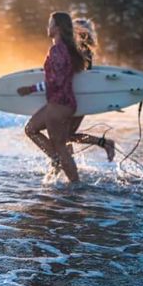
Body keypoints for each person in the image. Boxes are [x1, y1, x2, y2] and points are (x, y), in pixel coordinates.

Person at [17, 12, 85, 183]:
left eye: (50, 24)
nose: (48, 27)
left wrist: (31, 89)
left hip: (59, 104)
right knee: (31, 129)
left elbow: (56, 81)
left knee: (60, 146)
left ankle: (75, 185)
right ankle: (58, 161)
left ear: (57, 28)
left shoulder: (57, 50)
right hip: (61, 103)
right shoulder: (66, 50)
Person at [66, 18, 115, 161]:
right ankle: (63, 163)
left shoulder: (82, 51)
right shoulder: (81, 50)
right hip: (76, 97)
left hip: (77, 98)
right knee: (64, 135)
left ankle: (105, 143)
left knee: (64, 135)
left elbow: (82, 77)